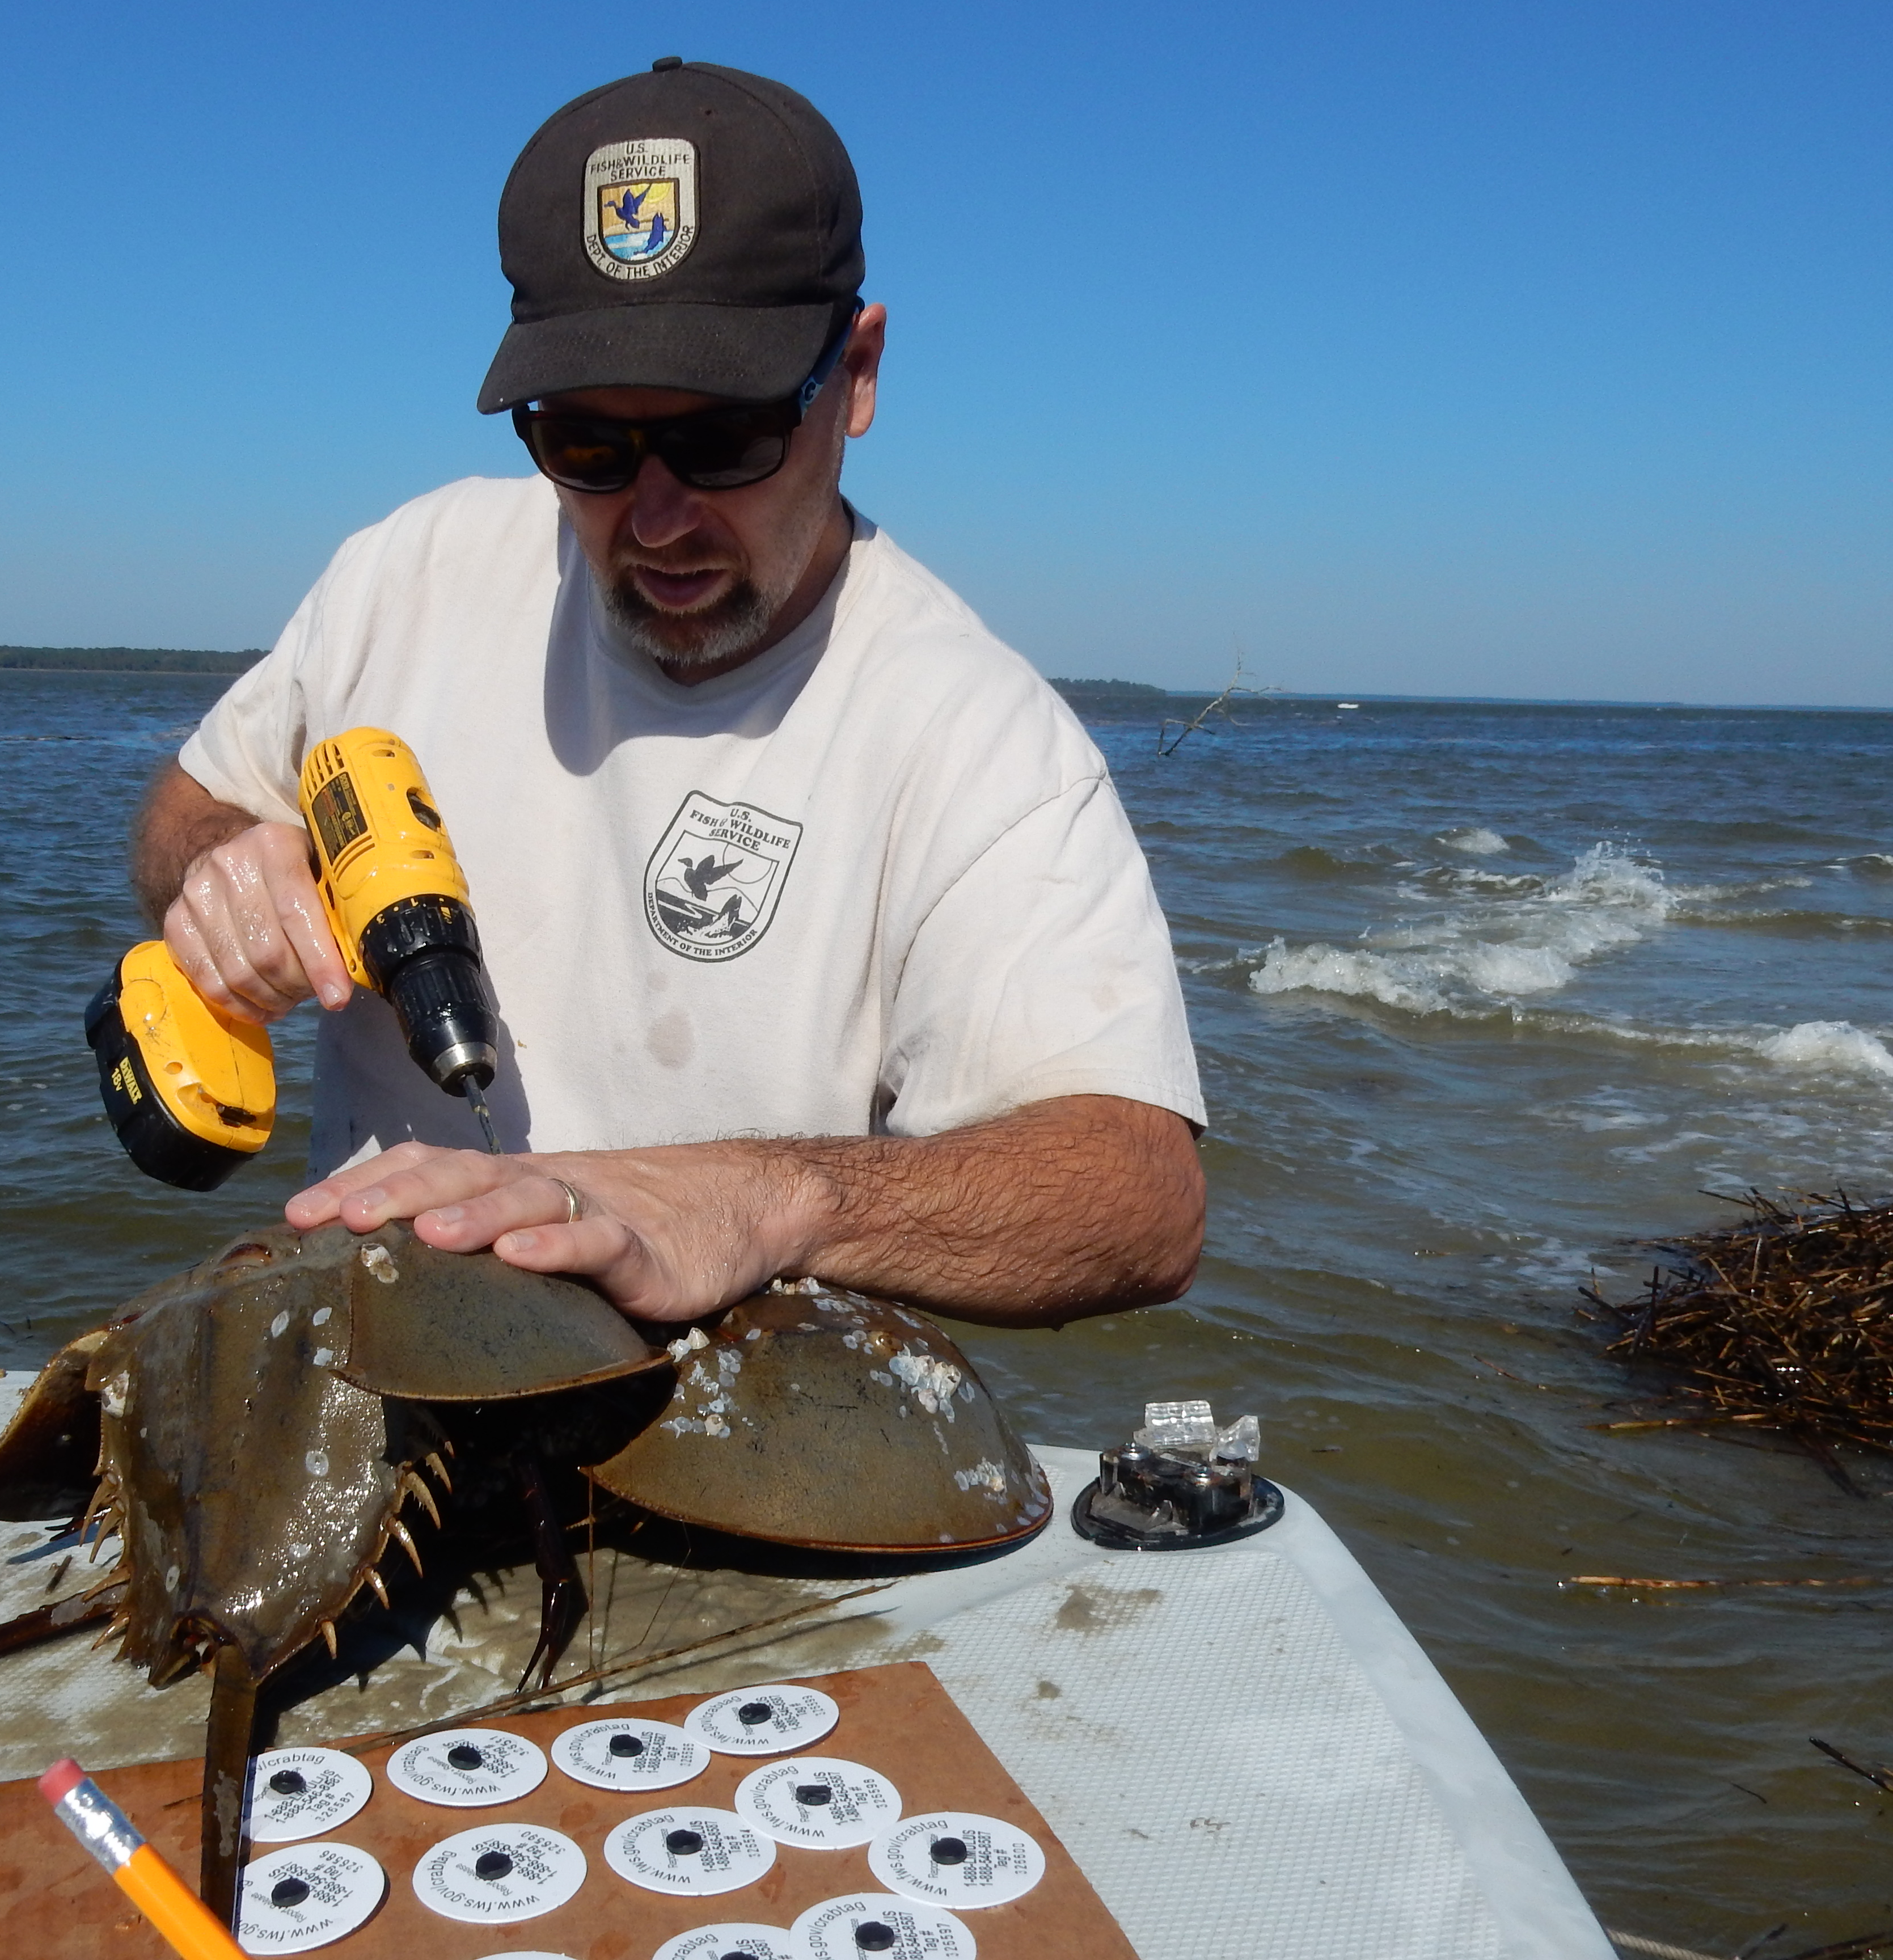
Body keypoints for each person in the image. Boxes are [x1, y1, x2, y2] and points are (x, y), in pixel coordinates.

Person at [130, 59, 1206, 1330]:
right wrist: (226, 871)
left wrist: (752, 1197)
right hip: (372, 1348)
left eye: (723, 439)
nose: (655, 517)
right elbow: (186, 810)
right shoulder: (406, 572)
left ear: (858, 374)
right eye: (586, 444)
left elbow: (1137, 1194)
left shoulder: (976, 740)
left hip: (723, 1409)